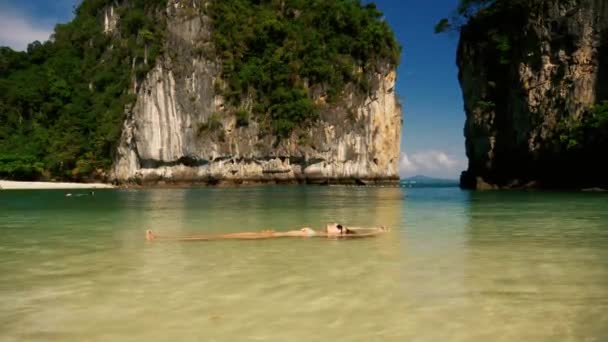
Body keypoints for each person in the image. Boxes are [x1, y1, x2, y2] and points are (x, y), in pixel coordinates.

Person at [145, 223, 389, 241]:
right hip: (267, 234)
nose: (333, 223)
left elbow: (357, 234)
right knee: (223, 236)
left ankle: (161, 239)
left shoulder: (323, 236)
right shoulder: (318, 232)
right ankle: (162, 239)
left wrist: (375, 231)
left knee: (221, 237)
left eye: (337, 225)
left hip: (265, 238)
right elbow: (355, 230)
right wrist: (377, 227)